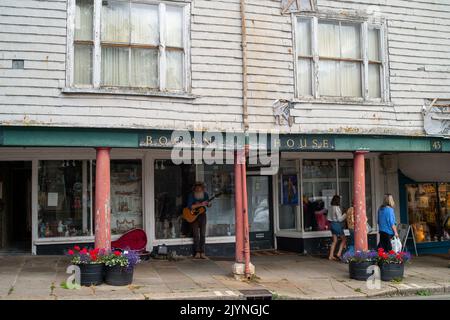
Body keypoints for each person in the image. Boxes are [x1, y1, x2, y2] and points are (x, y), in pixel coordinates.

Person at [186, 182, 211, 259]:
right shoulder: (191, 196)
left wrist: (209, 204)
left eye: (200, 190)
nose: (198, 191)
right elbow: (190, 206)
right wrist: (201, 204)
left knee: (203, 234)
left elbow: (208, 205)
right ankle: (197, 252)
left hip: (202, 215)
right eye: (197, 190)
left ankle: (202, 252)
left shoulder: (205, 195)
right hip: (193, 216)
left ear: (202, 189)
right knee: (196, 234)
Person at [328, 195, 347, 261]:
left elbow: (328, 217)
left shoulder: (330, 207)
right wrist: (345, 214)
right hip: (336, 224)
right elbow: (340, 219)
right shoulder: (336, 208)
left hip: (331, 224)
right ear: (338, 201)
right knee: (344, 239)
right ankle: (338, 253)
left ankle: (331, 256)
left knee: (334, 241)